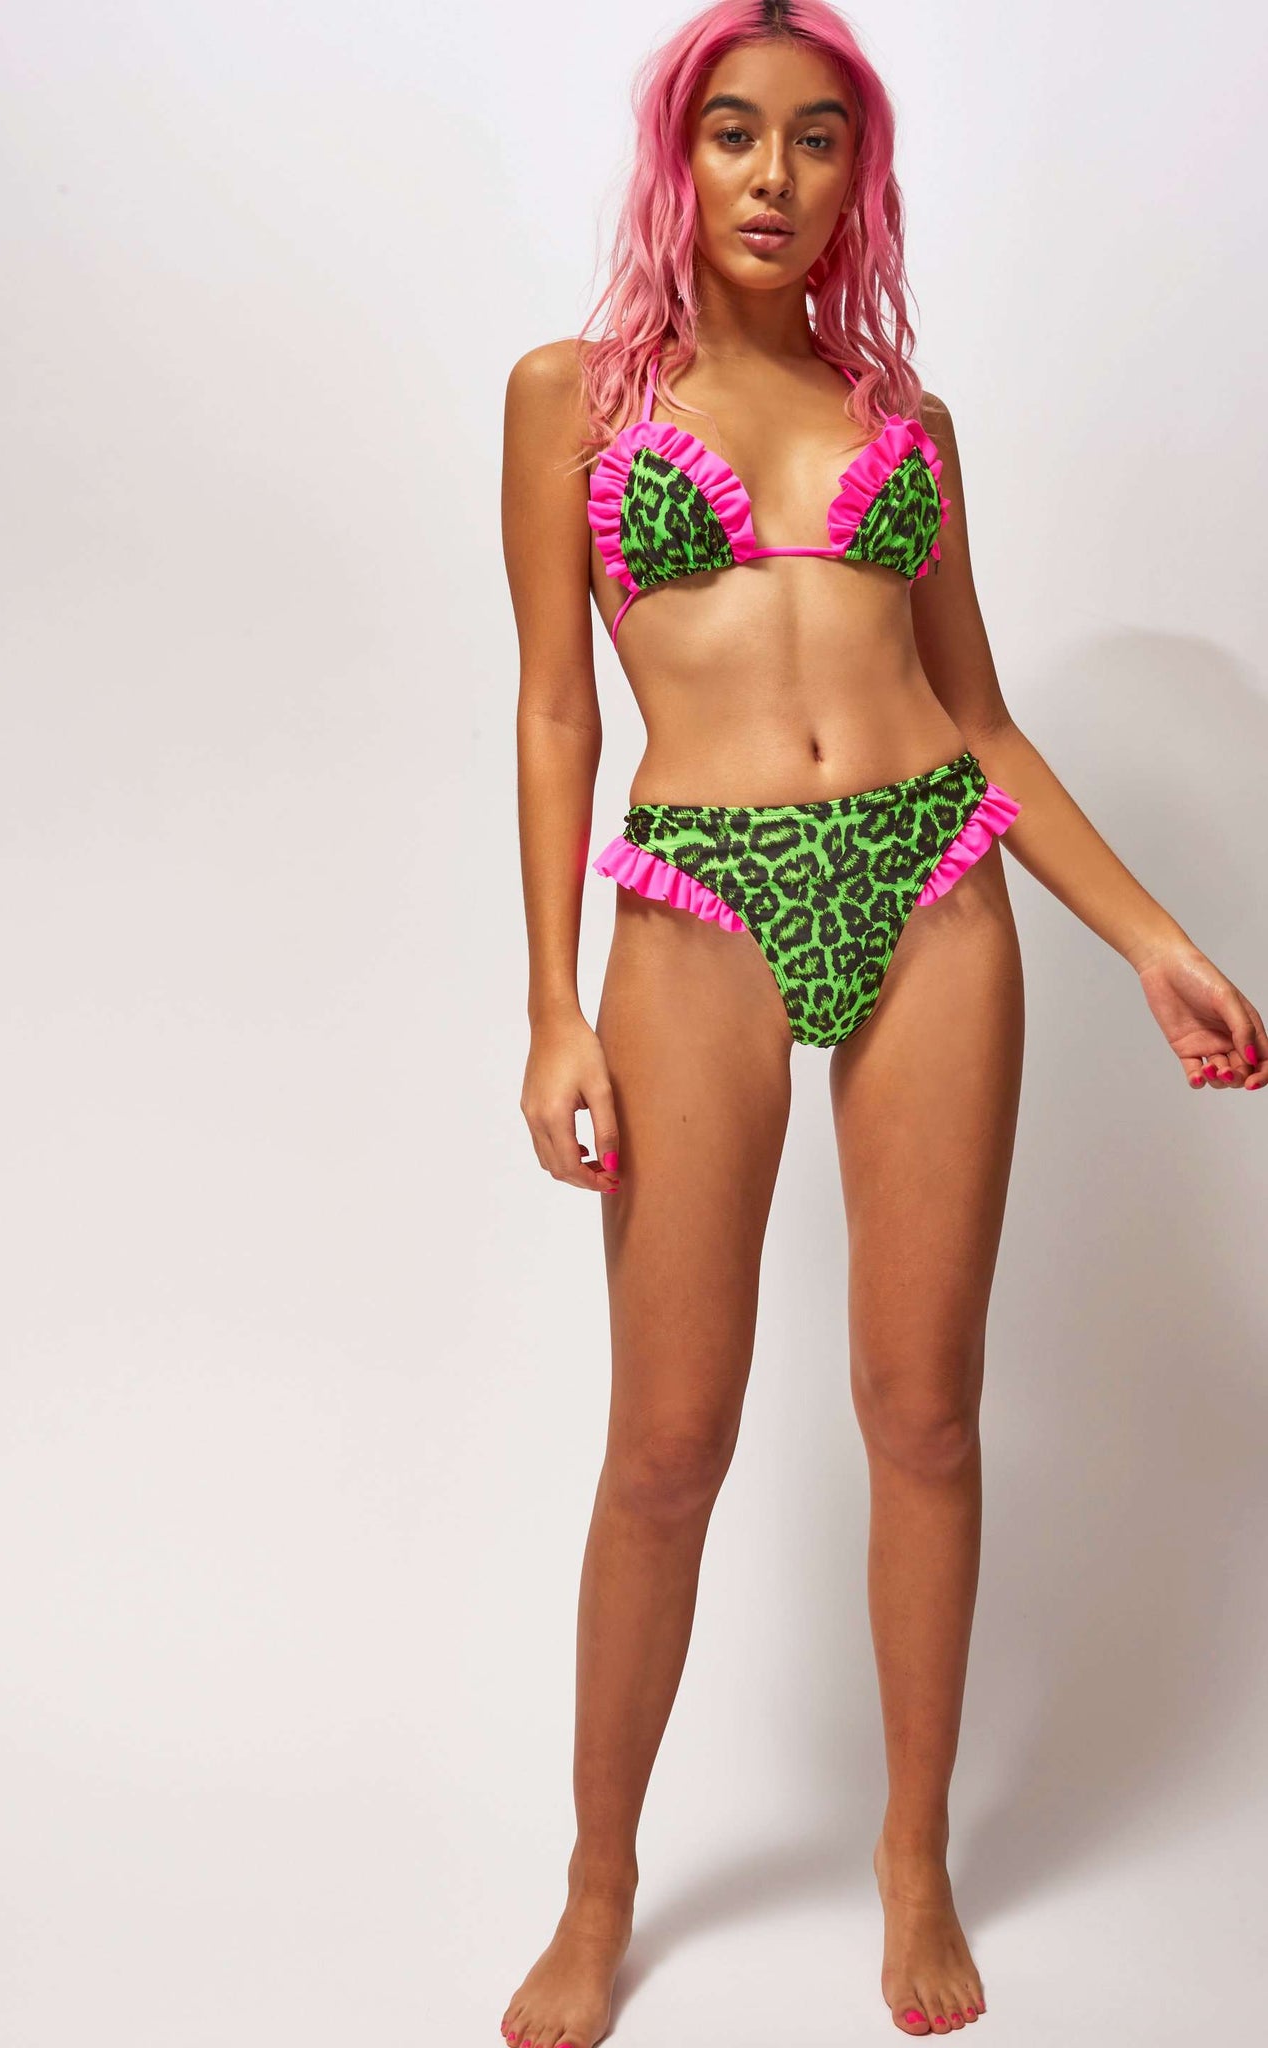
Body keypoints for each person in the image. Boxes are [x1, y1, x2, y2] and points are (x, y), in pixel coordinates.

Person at [498, 3, 1264, 2041]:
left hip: (931, 879)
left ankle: (911, 1854)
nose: (773, 175)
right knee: (666, 1442)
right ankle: (597, 1884)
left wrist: (1150, 938)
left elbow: (979, 717)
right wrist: (550, 1008)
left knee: (922, 1413)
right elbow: (557, 708)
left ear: (861, 171)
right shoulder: (570, 398)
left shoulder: (903, 417)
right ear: (676, 157)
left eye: (816, 137)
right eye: (733, 133)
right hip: (697, 902)